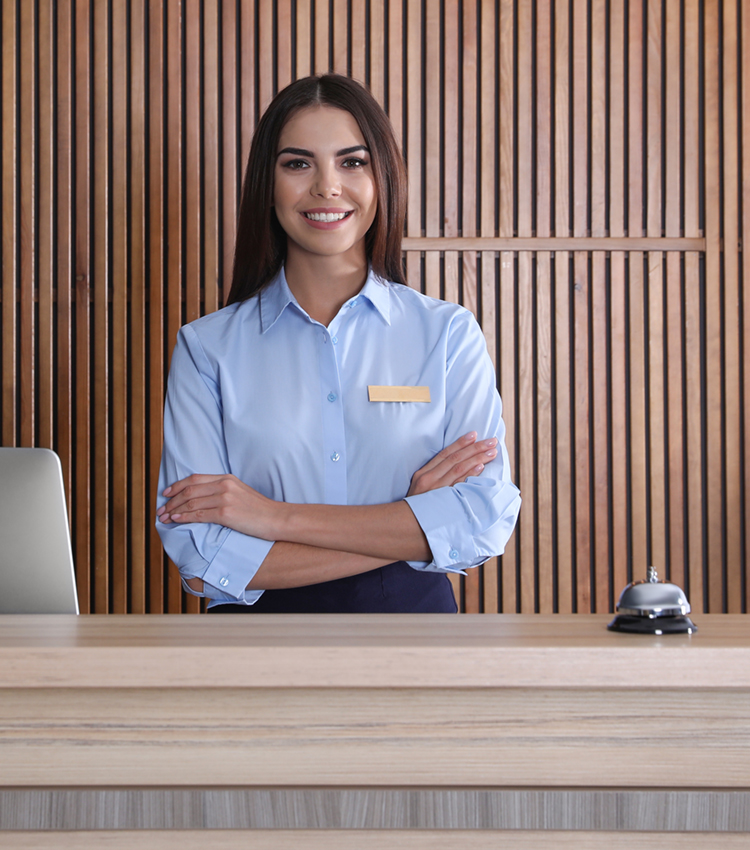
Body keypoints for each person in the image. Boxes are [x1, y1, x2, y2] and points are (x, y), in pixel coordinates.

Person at [155, 74, 521, 613]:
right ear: (267, 183)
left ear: (382, 178)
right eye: (298, 163)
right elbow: (205, 556)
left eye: (353, 162)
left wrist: (273, 517)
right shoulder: (206, 349)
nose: (327, 187)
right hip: (253, 649)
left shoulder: (446, 334)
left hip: (416, 640)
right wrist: (410, 517)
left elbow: (481, 519)